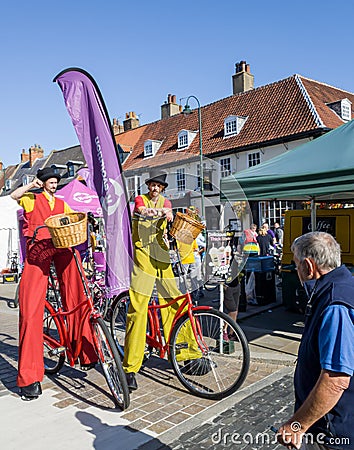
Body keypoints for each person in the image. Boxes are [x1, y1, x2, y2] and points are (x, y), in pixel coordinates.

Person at [11, 168, 97, 401]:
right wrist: (32, 184)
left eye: (54, 182)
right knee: (30, 312)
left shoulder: (61, 203)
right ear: (43, 182)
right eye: (49, 181)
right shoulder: (32, 198)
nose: (52, 185)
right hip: (38, 254)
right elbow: (14, 196)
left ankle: (86, 352)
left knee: (79, 293)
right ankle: (29, 378)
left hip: (61, 248)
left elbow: (77, 217)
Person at [123, 170, 211, 392]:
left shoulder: (166, 201)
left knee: (175, 300)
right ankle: (130, 367)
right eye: (152, 185)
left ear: (162, 188)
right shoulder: (140, 199)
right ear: (148, 186)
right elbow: (142, 210)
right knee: (139, 307)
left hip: (161, 253)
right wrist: (160, 212)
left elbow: (170, 214)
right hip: (143, 254)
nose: (154, 188)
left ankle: (187, 353)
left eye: (158, 186)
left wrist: (168, 214)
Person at [277, 232, 354, 450]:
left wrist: (296, 426)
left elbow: (336, 379)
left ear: (309, 266)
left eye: (296, 266)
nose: (296, 272)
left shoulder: (335, 303)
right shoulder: (342, 285)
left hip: (335, 430)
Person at [222, 257, 240, 340]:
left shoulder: (236, 255)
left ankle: (231, 333)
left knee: (235, 311)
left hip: (236, 284)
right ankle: (224, 330)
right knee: (232, 310)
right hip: (228, 286)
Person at [177, 238, 199, 302]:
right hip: (192, 259)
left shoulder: (179, 239)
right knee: (194, 278)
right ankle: (195, 296)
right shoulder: (192, 238)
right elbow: (196, 249)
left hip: (183, 260)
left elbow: (176, 249)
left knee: (182, 279)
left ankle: (184, 296)